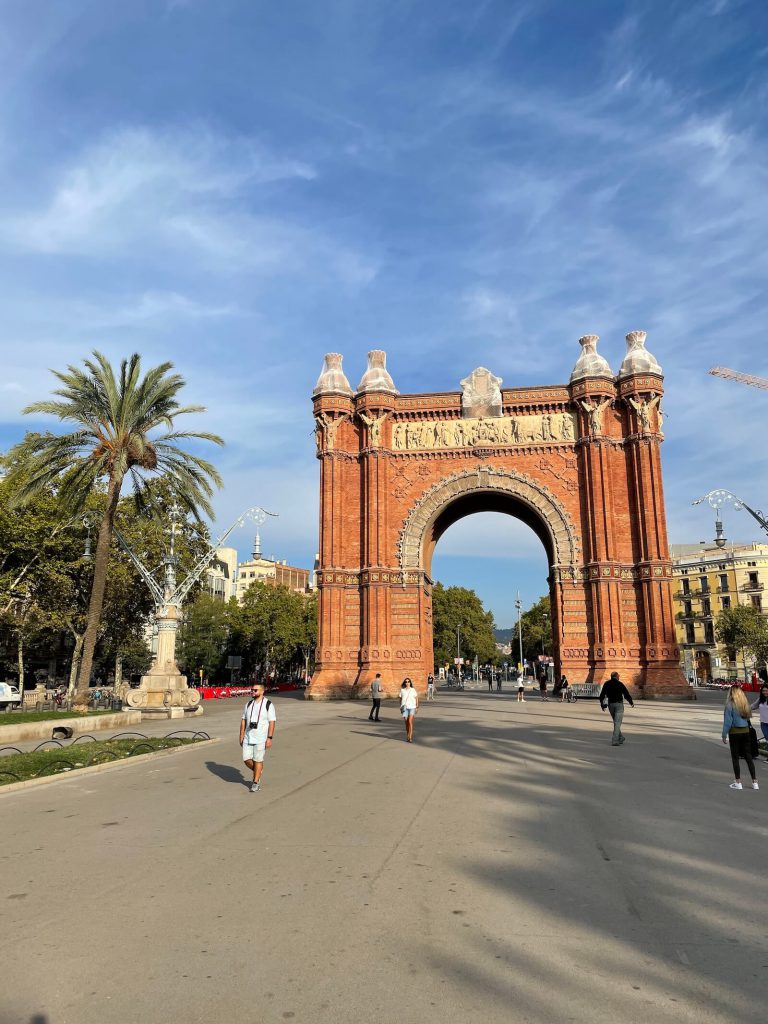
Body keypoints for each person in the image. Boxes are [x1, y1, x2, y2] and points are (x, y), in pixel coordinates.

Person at [239, 682, 277, 793]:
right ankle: (258, 770)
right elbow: (243, 720)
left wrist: (270, 737)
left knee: (258, 759)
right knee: (246, 759)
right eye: (252, 690)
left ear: (262, 691)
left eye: (255, 690)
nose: (253, 692)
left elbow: (272, 722)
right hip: (248, 736)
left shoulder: (268, 704)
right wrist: (241, 735)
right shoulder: (248, 704)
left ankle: (255, 783)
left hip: (261, 738)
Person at [723, 684, 758, 789]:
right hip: (746, 732)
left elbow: (728, 722)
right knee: (748, 756)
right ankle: (755, 782)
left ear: (731, 693)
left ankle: (738, 782)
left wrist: (724, 735)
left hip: (734, 733)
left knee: (735, 757)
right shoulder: (745, 704)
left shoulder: (729, 705)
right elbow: (748, 717)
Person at [599, 671, 634, 746]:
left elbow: (602, 695)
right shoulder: (619, 684)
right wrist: (631, 702)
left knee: (616, 722)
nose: (619, 677)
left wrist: (602, 705)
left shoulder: (607, 684)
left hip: (610, 705)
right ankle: (615, 740)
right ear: (617, 676)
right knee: (617, 723)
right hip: (619, 705)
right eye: (619, 676)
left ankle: (620, 737)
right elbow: (626, 694)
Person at [750, 684, 768, 762]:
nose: (765, 692)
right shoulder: (761, 699)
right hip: (763, 723)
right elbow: (753, 706)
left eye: (766, 690)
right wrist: (743, 708)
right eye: (763, 691)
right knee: (767, 739)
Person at [400, 677, 419, 742]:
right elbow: (400, 698)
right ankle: (408, 734)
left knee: (410, 721)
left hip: (412, 707)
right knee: (406, 722)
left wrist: (417, 707)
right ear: (404, 683)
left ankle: (410, 737)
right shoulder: (402, 690)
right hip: (405, 707)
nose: (407, 683)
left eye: (408, 681)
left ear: (410, 683)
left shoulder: (413, 690)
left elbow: (416, 698)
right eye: (406, 681)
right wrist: (401, 706)